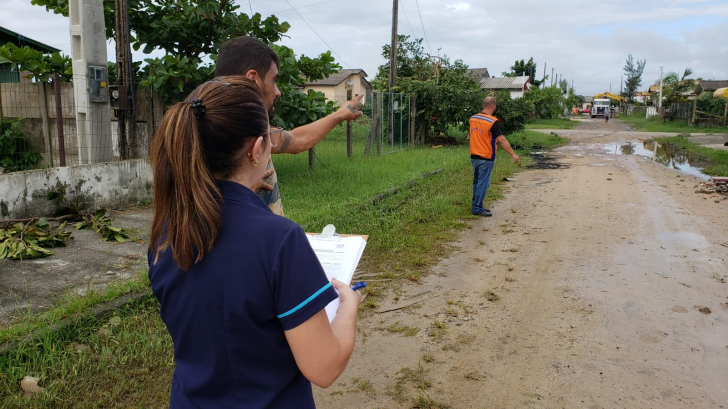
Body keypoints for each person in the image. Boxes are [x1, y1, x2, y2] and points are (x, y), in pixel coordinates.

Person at [148, 76, 361, 408]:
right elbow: (324, 366)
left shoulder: (166, 234)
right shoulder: (279, 239)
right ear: (257, 149)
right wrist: (348, 306)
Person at [215, 36, 364, 216]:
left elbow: (296, 139)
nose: (277, 91)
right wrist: (239, 194)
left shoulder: (250, 129)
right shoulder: (212, 134)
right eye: (273, 80)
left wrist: (340, 114)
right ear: (253, 79)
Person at [469, 97, 520, 217]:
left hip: (474, 156)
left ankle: (476, 205)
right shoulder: (492, 121)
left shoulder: (473, 118)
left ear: (483, 105)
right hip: (486, 157)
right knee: (483, 183)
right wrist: (513, 154)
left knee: (477, 183)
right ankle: (477, 208)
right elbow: (501, 139)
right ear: (493, 106)